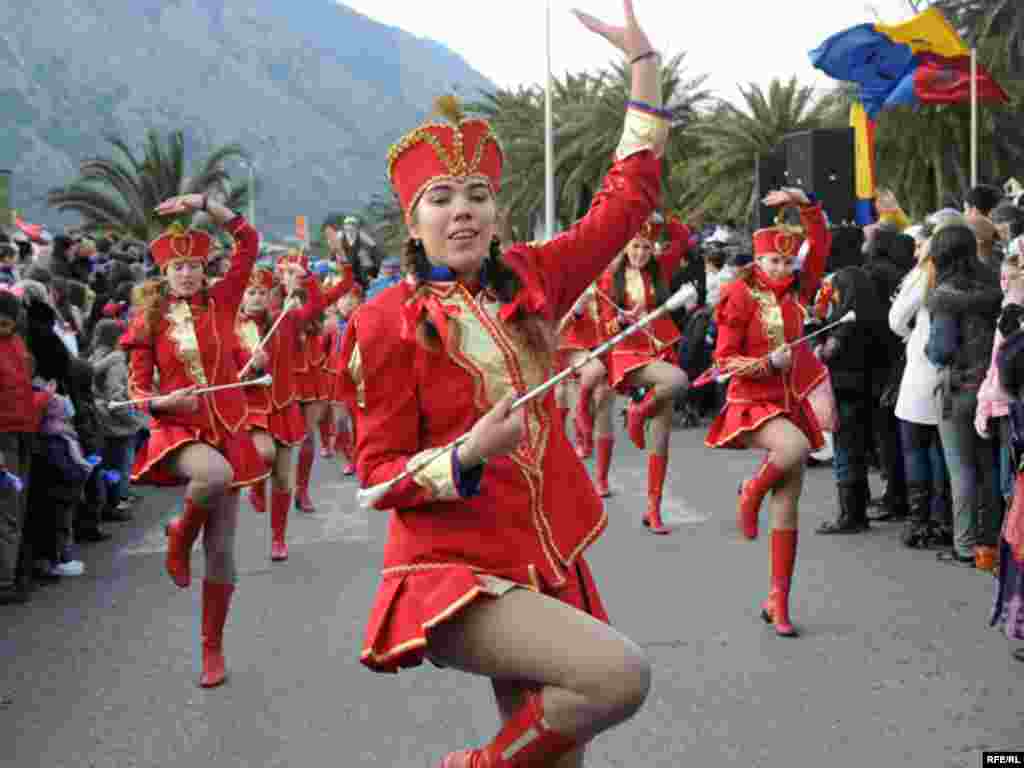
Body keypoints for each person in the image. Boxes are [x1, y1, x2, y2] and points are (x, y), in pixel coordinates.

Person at [337, 3, 667, 764]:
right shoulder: (383, 323)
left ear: (497, 211)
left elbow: (627, 200)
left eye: (476, 196)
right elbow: (376, 477)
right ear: (413, 222)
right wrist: (466, 454)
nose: (462, 212)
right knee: (619, 677)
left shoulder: (535, 276)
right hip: (454, 569)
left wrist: (643, 67)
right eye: (441, 199)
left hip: (545, 551)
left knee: (559, 753)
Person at [120, 194, 265, 688]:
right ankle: (180, 535)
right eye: (177, 267)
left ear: (205, 271)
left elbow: (248, 241)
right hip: (180, 429)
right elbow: (137, 390)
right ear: (165, 272)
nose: (186, 274)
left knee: (221, 550)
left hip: (229, 427)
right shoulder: (149, 319)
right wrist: (164, 402)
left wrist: (206, 204)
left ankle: (212, 647)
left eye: (194, 266)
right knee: (213, 475)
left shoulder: (224, 301)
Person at [705, 188, 830, 637]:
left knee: (789, 505)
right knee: (793, 448)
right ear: (758, 260)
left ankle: (778, 600)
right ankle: (750, 491)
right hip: (751, 400)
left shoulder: (800, 290)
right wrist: (765, 363)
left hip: (789, 401)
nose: (780, 268)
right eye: (773, 261)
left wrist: (805, 202)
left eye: (786, 261)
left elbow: (821, 241)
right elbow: (723, 359)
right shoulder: (738, 294)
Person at [598, 214, 692, 532]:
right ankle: (637, 411)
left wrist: (661, 217)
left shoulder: (660, 270)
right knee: (678, 379)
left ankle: (653, 509)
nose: (640, 253)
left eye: (646, 247)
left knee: (661, 438)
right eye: (635, 246)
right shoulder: (611, 279)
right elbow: (605, 326)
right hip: (628, 357)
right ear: (626, 246)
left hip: (660, 351)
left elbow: (682, 237)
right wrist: (622, 320)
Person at [235, 263, 323, 560]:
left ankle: (278, 538)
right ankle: (256, 482)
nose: (256, 298)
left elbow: (315, 307)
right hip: (252, 407)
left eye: (262, 292)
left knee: (284, 479)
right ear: (242, 296)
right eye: (251, 292)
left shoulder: (284, 319)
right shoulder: (232, 327)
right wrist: (250, 366)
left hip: (283, 405)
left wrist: (305, 278)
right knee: (264, 454)